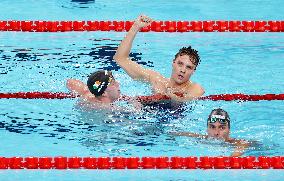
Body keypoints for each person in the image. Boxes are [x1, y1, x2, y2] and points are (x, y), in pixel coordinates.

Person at [113, 15, 205, 102]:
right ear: (173, 63)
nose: (183, 70)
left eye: (189, 67)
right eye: (180, 64)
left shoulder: (195, 88)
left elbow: (186, 99)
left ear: (193, 71)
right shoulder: (156, 80)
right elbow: (120, 59)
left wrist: (171, 96)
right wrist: (135, 27)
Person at [172, 108, 250, 157]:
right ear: (207, 129)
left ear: (229, 130)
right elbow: (175, 133)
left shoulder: (239, 143)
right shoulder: (200, 138)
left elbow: (236, 155)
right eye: (212, 127)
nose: (216, 133)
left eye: (222, 127)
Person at [67, 70, 138, 110]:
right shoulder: (110, 109)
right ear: (104, 93)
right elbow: (136, 112)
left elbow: (70, 81)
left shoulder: (87, 94)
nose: (118, 84)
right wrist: (135, 103)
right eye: (113, 84)